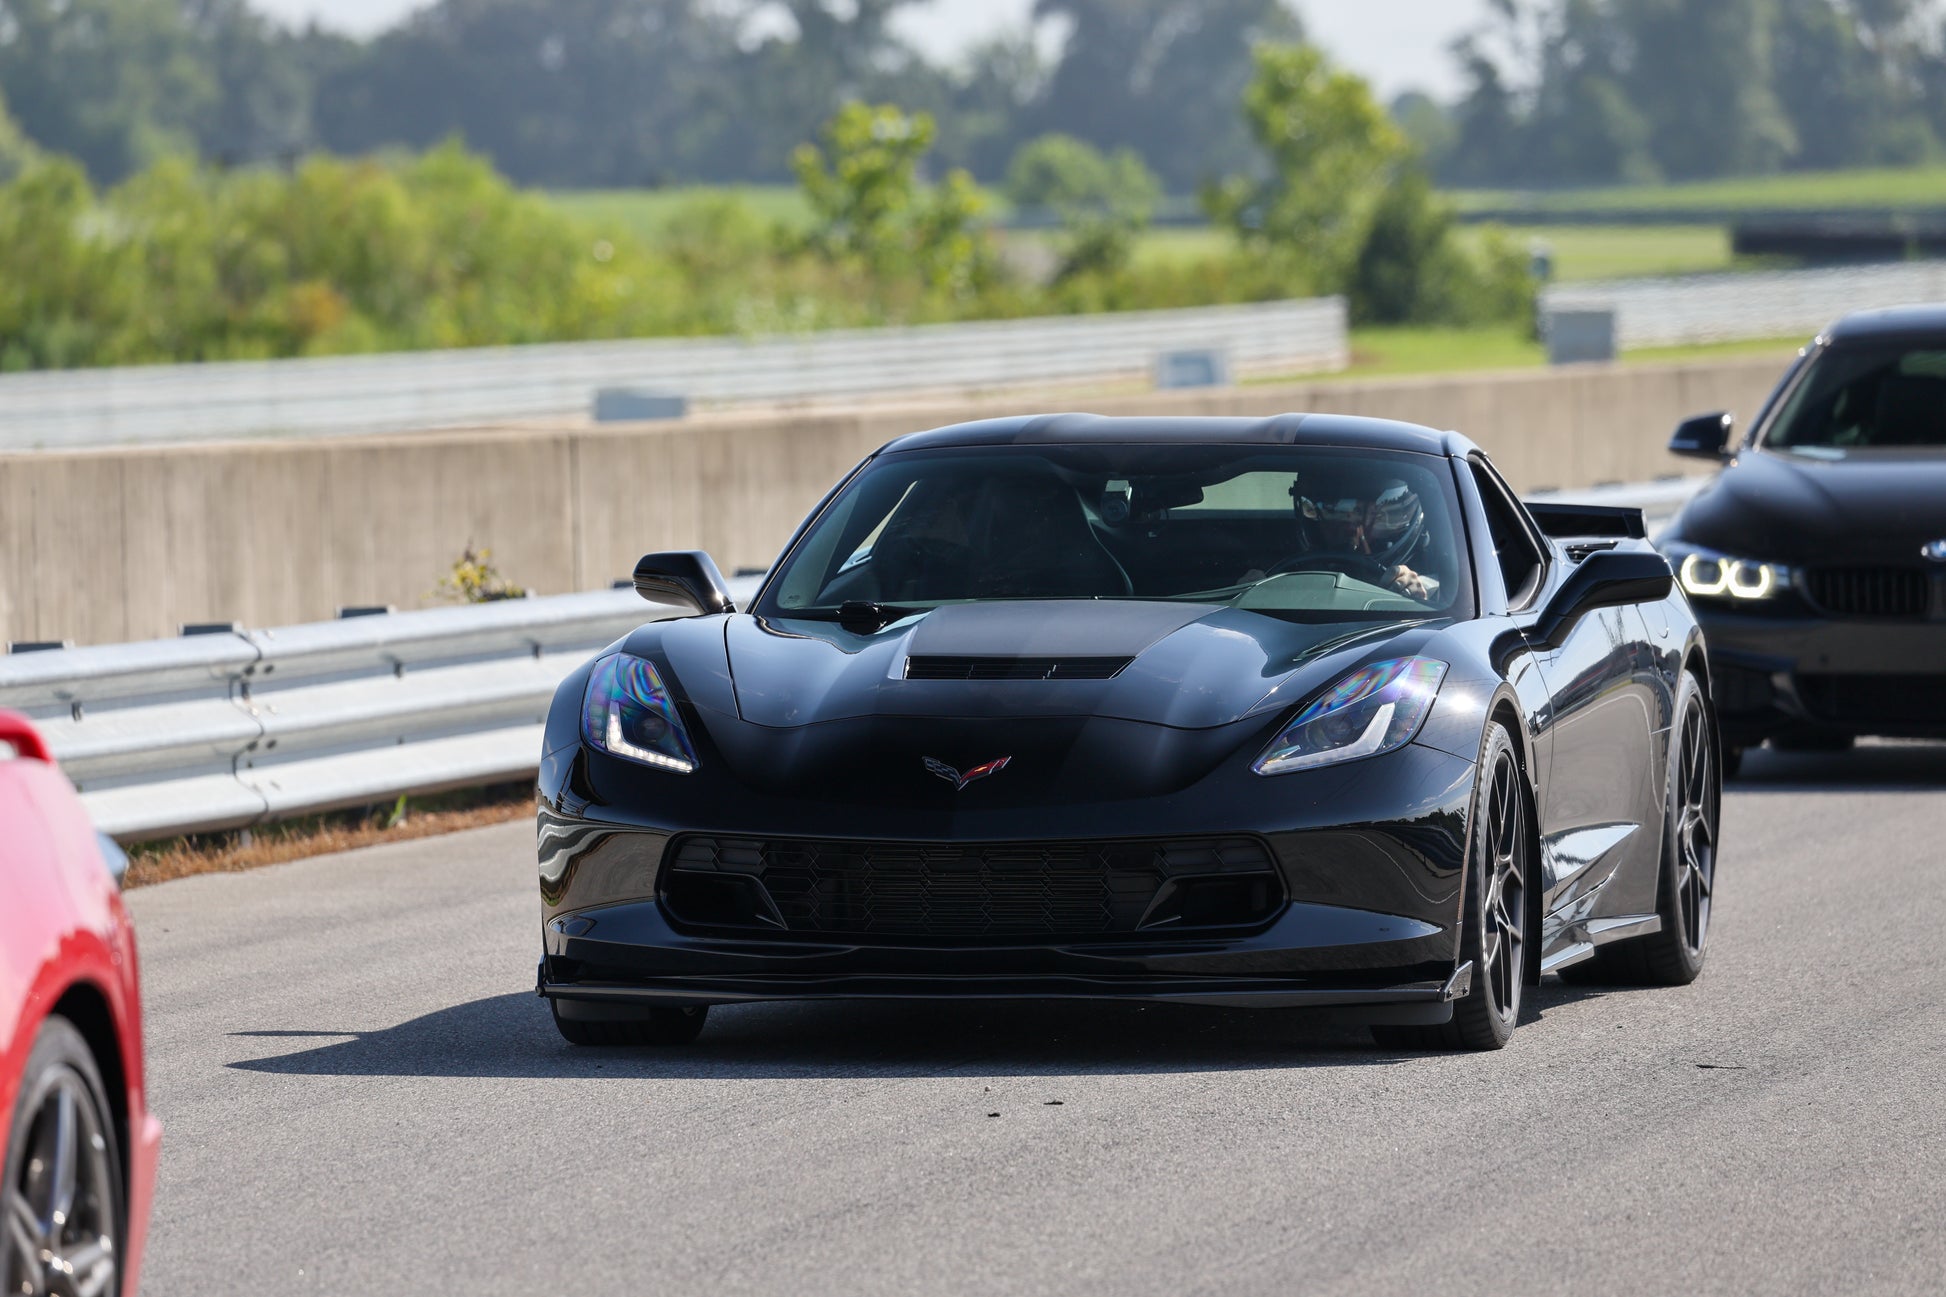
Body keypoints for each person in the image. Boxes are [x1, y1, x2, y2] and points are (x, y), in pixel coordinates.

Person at [1290, 473, 1439, 600]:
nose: (1352, 529)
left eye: (1377, 515)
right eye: (1335, 511)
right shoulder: (1282, 582)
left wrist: (1412, 599)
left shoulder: (1443, 588)